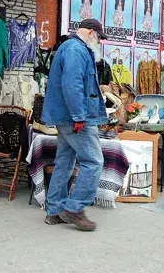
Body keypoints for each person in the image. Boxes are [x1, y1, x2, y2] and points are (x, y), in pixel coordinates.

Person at [41, 18, 108, 231]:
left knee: (65, 161)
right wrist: (79, 116)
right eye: (98, 37)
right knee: (94, 161)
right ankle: (74, 208)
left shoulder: (71, 48)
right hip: (75, 118)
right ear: (90, 32)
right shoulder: (76, 49)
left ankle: (54, 211)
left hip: (66, 116)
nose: (99, 42)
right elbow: (72, 84)